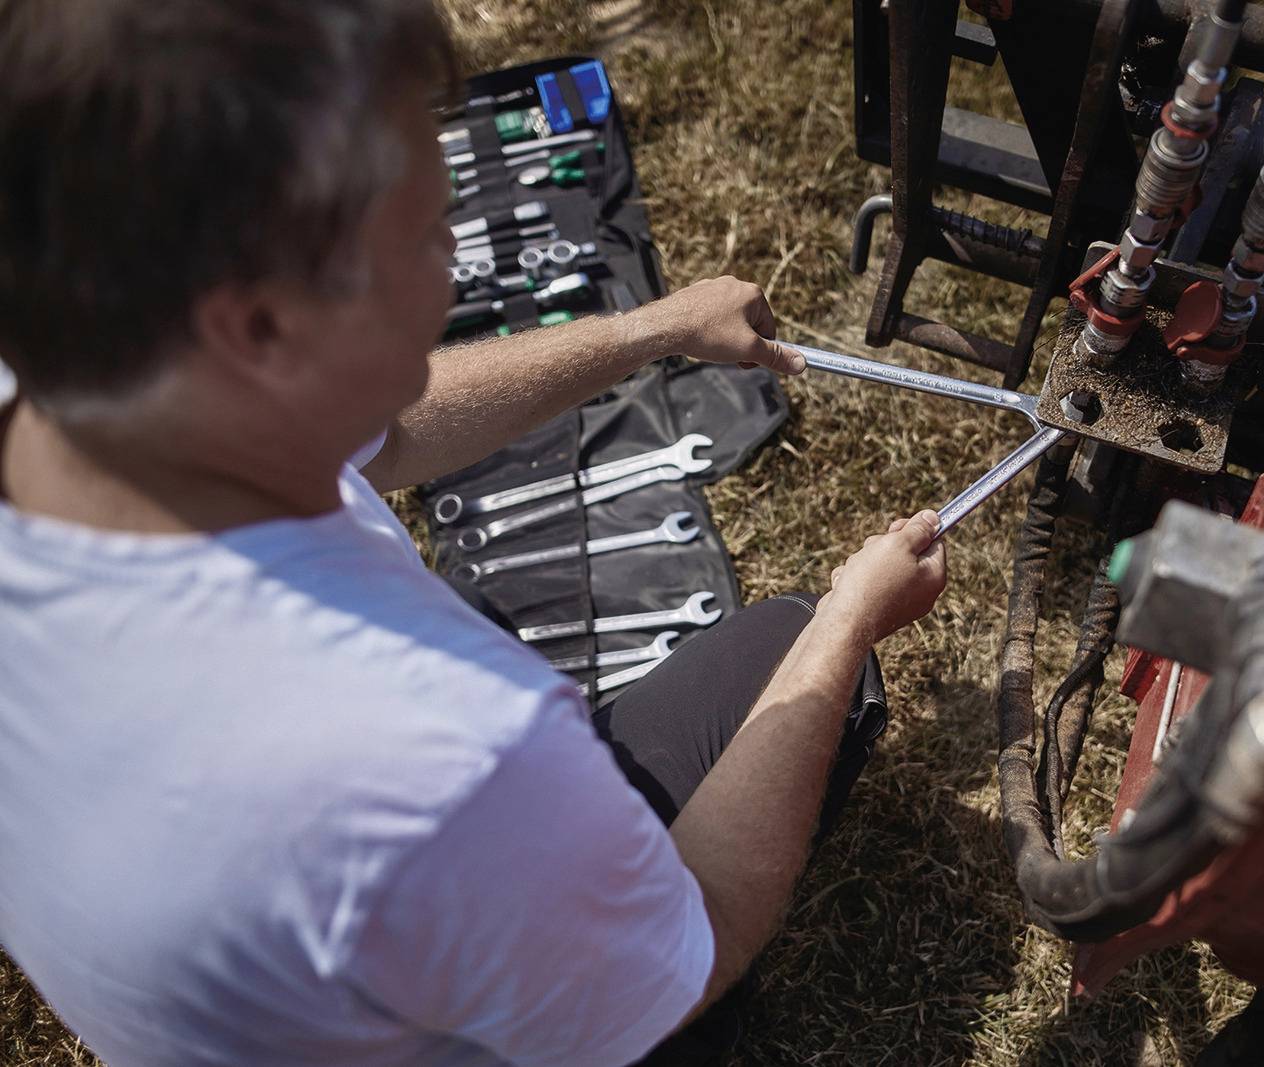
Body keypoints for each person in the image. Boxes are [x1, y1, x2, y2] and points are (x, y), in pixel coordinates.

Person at [0, 2, 947, 1065]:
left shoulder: (77, 377)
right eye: (421, 233)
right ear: (261, 327)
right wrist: (848, 621)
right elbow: (703, 934)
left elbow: (384, 428)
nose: (453, 271)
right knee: (797, 653)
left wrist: (649, 331)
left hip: (249, 990)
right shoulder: (444, 756)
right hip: (521, 999)